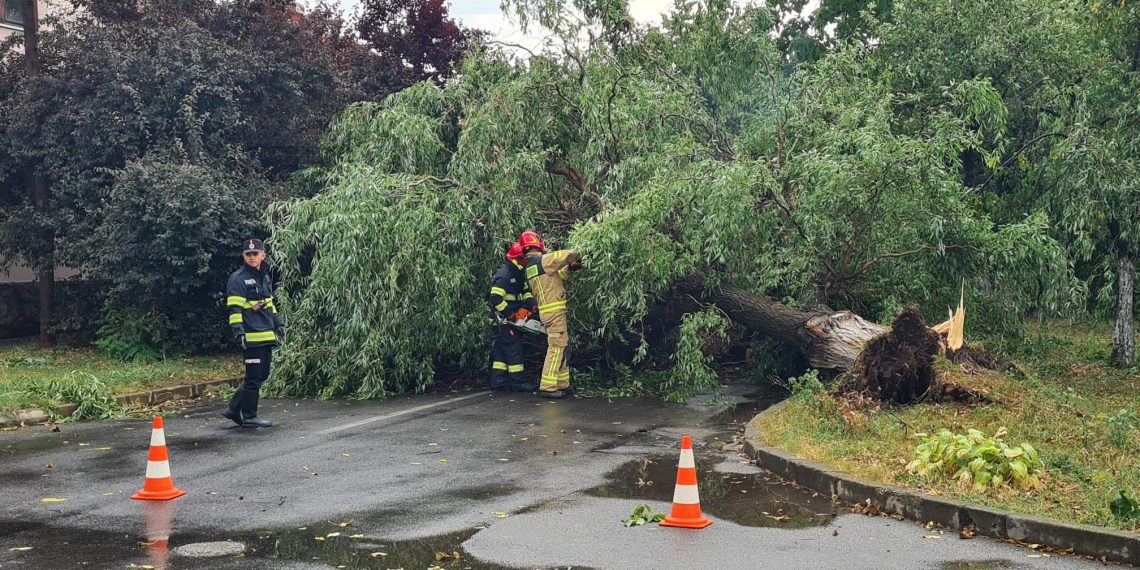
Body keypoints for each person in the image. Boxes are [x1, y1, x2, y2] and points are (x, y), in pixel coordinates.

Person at [222, 238, 284, 428]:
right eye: (248, 254)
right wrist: (239, 333)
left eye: (255, 253)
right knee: (253, 378)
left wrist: (278, 323)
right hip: (251, 337)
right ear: (243, 256)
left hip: (266, 335)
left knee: (262, 375)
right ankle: (250, 416)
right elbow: (235, 309)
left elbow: (269, 304)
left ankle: (233, 409)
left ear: (263, 255)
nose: (252, 257)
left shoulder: (263, 276)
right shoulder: (238, 279)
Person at [519, 230, 581, 399]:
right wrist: (583, 251)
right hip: (554, 312)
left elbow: (555, 277)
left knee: (563, 345)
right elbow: (565, 255)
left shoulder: (531, 266)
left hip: (550, 312)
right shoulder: (543, 260)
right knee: (556, 347)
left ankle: (562, 384)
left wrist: (571, 268)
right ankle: (547, 386)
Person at [487, 242, 538, 392]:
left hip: (507, 321)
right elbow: (495, 297)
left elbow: (525, 290)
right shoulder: (505, 275)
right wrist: (510, 314)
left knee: (501, 353)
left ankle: (498, 382)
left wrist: (532, 304)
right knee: (514, 350)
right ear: (520, 258)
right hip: (503, 321)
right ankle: (518, 383)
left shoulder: (518, 274)